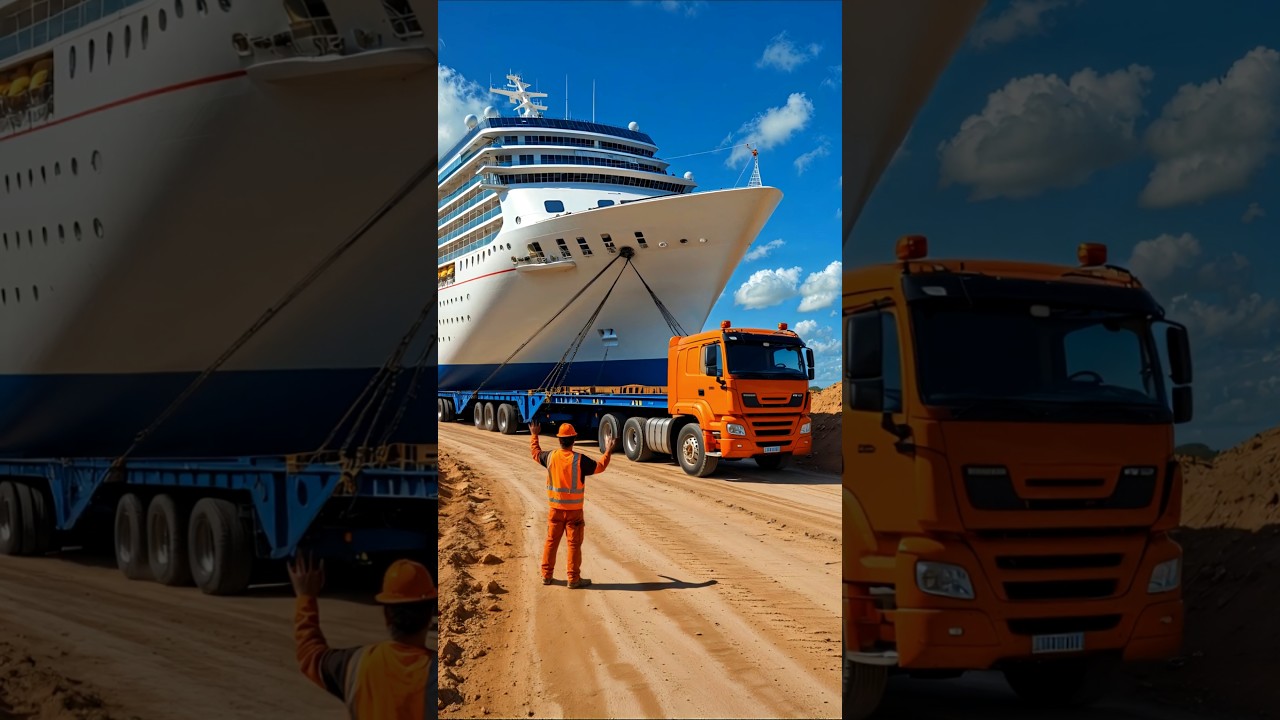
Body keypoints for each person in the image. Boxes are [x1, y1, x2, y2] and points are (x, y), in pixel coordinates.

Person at [289, 554, 438, 719]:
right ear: (431, 614)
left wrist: (305, 597)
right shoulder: (443, 677)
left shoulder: (355, 665)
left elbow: (310, 653)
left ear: (386, 614)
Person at [530, 421, 617, 588]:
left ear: (559, 440)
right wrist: (608, 450)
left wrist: (535, 435)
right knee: (573, 546)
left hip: (555, 510)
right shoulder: (580, 460)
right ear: (574, 439)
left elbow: (535, 453)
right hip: (574, 513)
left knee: (551, 542)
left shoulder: (550, 457)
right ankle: (573, 579)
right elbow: (600, 467)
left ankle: (546, 576)